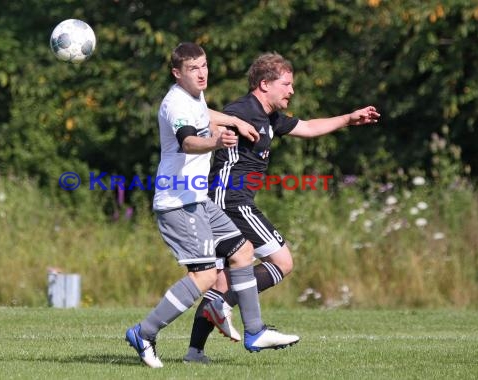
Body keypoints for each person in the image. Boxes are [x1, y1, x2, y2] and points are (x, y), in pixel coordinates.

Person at [183, 52, 380, 363]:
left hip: (229, 201)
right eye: (286, 84)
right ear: (265, 84)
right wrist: (230, 121)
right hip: (230, 200)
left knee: (219, 283)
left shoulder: (270, 117)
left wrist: (348, 118)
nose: (291, 91)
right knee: (283, 261)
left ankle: (194, 351)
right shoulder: (243, 109)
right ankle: (241, 321)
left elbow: (310, 128)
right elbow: (198, 115)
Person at [125, 44, 300, 368]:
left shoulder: (194, 96)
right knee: (205, 277)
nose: (202, 73)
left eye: (204, 65)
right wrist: (217, 141)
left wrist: (232, 120)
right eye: (194, 68)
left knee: (243, 252)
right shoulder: (175, 103)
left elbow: (205, 115)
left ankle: (255, 331)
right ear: (177, 73)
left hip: (198, 200)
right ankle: (144, 332)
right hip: (178, 202)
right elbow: (188, 140)